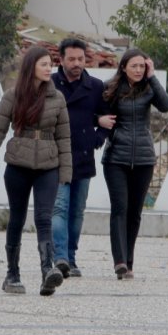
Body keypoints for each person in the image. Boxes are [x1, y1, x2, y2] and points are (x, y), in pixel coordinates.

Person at [0, 45, 72, 297]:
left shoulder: (57, 98)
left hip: (48, 166)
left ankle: (47, 272)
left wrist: (66, 172)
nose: (49, 68)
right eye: (44, 64)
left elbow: (64, 138)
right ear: (31, 67)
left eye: (50, 64)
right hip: (18, 164)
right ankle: (12, 273)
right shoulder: (12, 96)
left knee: (44, 218)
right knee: (17, 219)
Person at [101, 48, 168, 279]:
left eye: (142, 66)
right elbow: (95, 112)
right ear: (124, 67)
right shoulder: (110, 88)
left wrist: (152, 76)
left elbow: (166, 106)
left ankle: (129, 263)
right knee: (119, 209)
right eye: (134, 66)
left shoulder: (149, 88)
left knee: (134, 213)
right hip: (116, 158)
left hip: (143, 159)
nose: (139, 70)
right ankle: (119, 261)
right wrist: (98, 120)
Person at [50, 38, 113, 279]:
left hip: (84, 157)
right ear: (61, 60)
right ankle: (60, 257)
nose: (77, 64)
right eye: (72, 59)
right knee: (59, 207)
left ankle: (71, 257)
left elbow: (109, 117)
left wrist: (97, 138)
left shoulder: (95, 86)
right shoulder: (50, 84)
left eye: (81, 59)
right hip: (57, 156)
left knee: (77, 211)